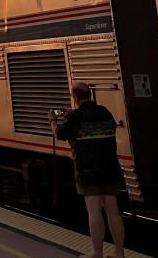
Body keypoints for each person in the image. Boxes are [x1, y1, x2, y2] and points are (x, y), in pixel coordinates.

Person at [51, 81, 125, 258]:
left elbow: (59, 134)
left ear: (75, 97)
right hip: (110, 168)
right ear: (90, 95)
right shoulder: (104, 111)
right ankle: (119, 253)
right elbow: (108, 129)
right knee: (113, 210)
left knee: (94, 211)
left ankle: (97, 253)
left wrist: (53, 119)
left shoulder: (74, 117)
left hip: (87, 171)